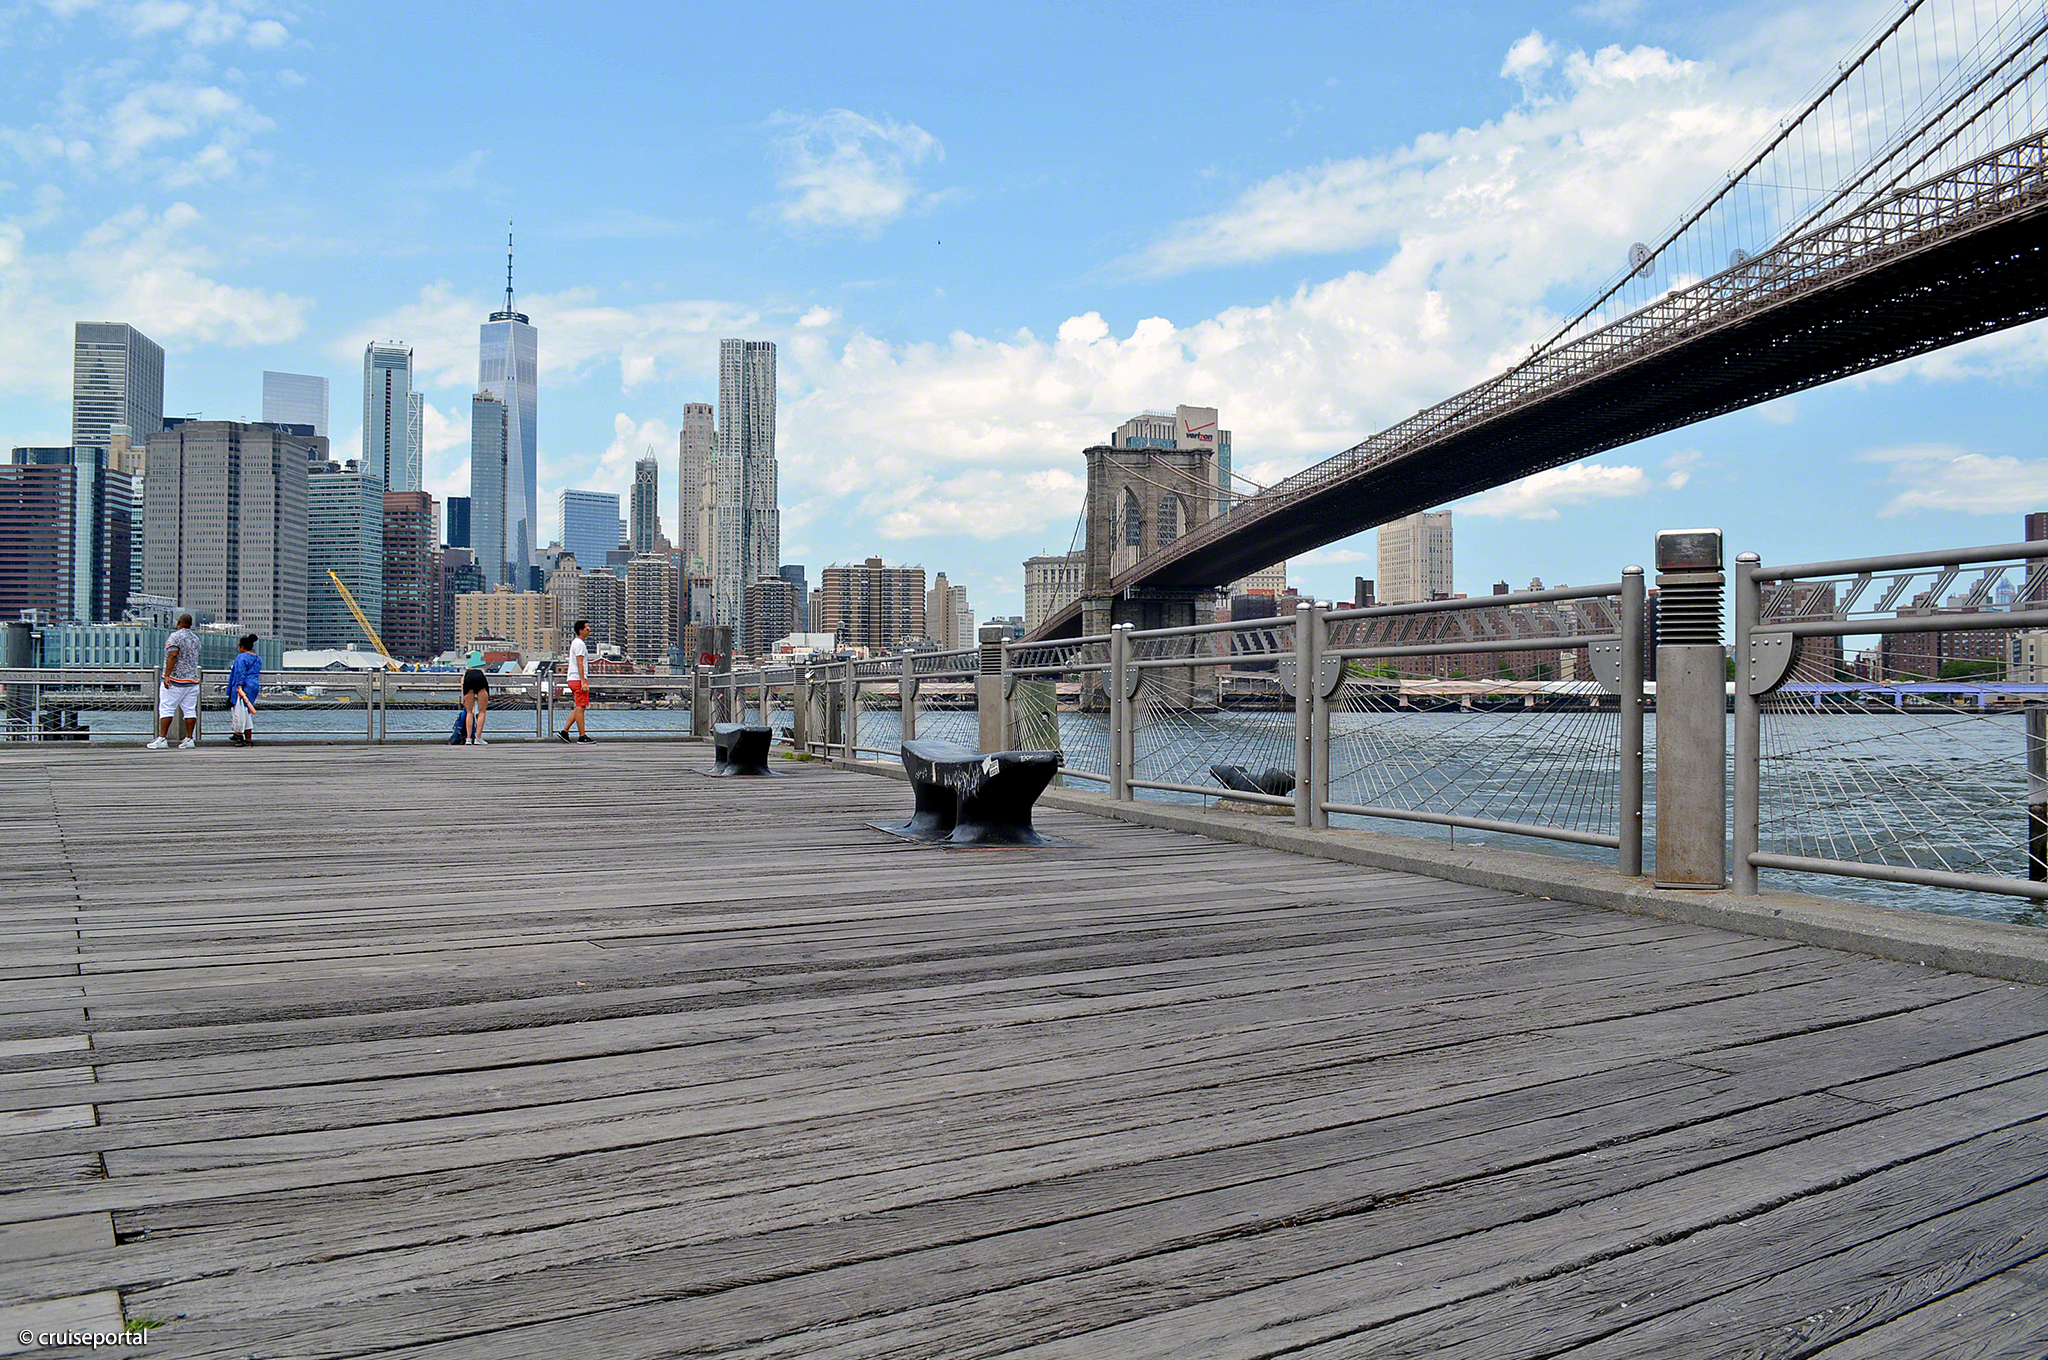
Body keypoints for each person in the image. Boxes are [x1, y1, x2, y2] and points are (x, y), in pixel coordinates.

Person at [146, 613, 203, 750]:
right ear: (191, 624)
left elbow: (172, 655)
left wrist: (167, 675)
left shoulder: (175, 637)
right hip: (192, 680)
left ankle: (162, 738)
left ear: (178, 623)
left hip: (176, 680)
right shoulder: (196, 639)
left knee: (166, 708)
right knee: (190, 710)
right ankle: (189, 739)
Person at [558, 620, 594, 743]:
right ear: (581, 630)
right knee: (580, 707)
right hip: (578, 679)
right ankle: (582, 736)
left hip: (573, 678)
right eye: (587, 628)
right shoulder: (580, 644)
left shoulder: (576, 643)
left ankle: (564, 732)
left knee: (580, 706)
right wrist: (583, 681)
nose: (589, 630)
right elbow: (580, 663)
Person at [228, 634, 261, 745]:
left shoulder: (241, 657)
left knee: (241, 710)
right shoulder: (258, 658)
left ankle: (242, 736)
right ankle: (242, 735)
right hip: (254, 685)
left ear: (242, 647)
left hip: (243, 686)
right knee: (246, 710)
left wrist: (239, 686)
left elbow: (240, 673)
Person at [461, 664, 490, 744]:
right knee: (482, 711)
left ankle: (468, 739)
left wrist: (464, 700)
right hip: (480, 681)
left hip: (468, 682)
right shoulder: (480, 673)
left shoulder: (464, 676)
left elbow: (463, 688)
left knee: (469, 711)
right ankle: (478, 738)